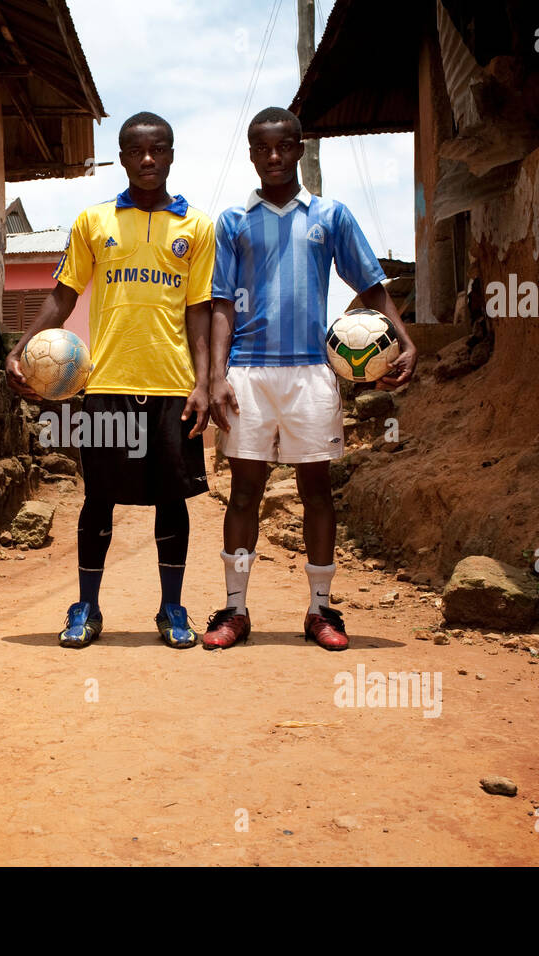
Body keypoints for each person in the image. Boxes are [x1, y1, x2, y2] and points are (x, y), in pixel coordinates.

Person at [203, 107, 416, 652]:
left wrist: (404, 337)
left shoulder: (331, 216)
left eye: (284, 146)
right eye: (263, 147)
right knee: (244, 493)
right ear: (251, 153)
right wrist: (217, 374)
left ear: (299, 149)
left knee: (317, 492)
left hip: (310, 372)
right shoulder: (231, 223)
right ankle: (234, 610)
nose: (273, 156)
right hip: (248, 371)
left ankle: (321, 611)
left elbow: (369, 284)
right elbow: (222, 304)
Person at [5, 112, 214, 649]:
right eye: (136, 151)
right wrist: (23, 345)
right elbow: (64, 294)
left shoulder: (198, 228)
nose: (148, 159)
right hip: (106, 385)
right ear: (122, 157)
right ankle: (87, 606)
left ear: (171, 154)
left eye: (158, 150)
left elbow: (200, 310)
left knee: (172, 500)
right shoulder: (93, 222)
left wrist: (206, 381)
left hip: (172, 386)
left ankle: (172, 607)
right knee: (99, 497)